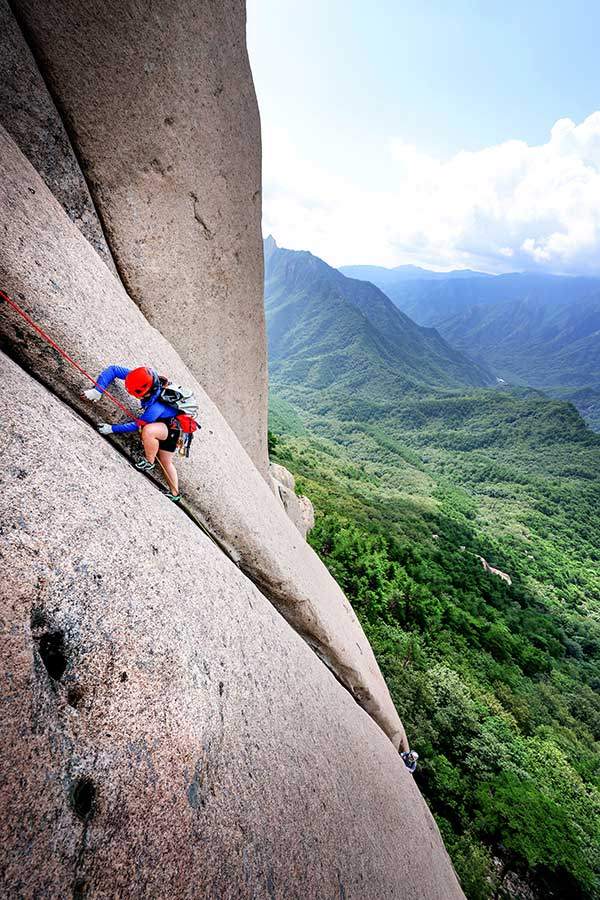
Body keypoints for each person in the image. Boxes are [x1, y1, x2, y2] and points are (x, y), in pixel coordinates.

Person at [83, 365, 182, 502]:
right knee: (165, 460)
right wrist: (98, 390)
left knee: (150, 434)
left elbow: (138, 425)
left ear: (148, 391)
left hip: (171, 430)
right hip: (164, 424)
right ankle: (175, 494)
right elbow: (113, 370)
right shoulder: (142, 377)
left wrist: (112, 429)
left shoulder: (156, 407)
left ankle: (150, 462)